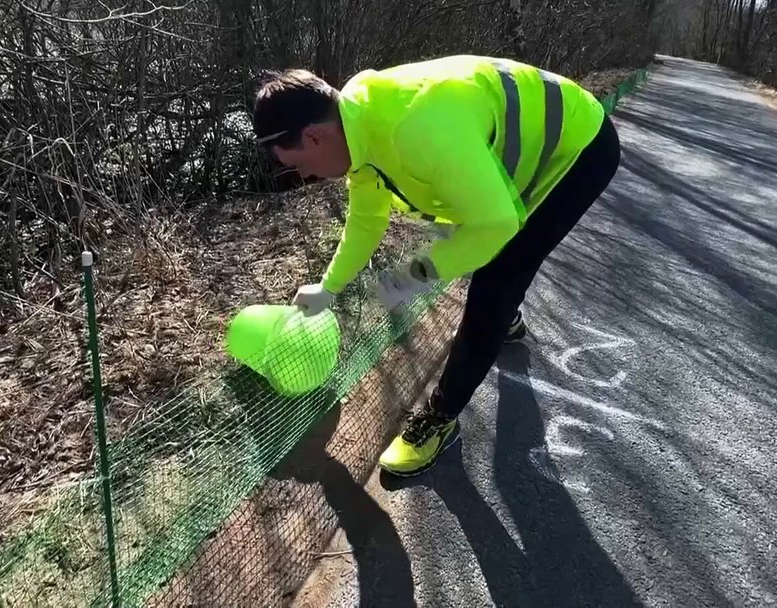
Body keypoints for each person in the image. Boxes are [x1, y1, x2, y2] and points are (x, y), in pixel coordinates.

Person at [251, 54, 621, 476]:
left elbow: (496, 223)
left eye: (296, 165)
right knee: (483, 247)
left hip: (578, 148)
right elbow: (367, 217)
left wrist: (414, 275)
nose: (304, 176)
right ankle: (507, 319)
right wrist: (329, 288)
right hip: (522, 151)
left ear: (315, 137)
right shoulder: (356, 119)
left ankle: (440, 419)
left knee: (497, 276)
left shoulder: (416, 128)